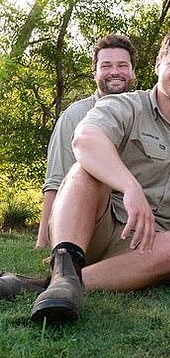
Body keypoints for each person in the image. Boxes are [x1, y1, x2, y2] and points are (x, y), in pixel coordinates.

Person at [15, 27, 170, 323]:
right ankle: (66, 265)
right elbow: (86, 139)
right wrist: (130, 186)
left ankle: (53, 284)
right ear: (158, 65)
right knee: (85, 170)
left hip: (149, 248)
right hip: (94, 228)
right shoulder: (125, 105)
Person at [36, 33, 137, 249]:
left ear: (133, 71)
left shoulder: (144, 113)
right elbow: (55, 181)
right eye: (106, 65)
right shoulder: (74, 116)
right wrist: (42, 240)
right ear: (95, 72)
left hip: (130, 223)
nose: (115, 72)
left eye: (122, 65)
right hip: (85, 219)